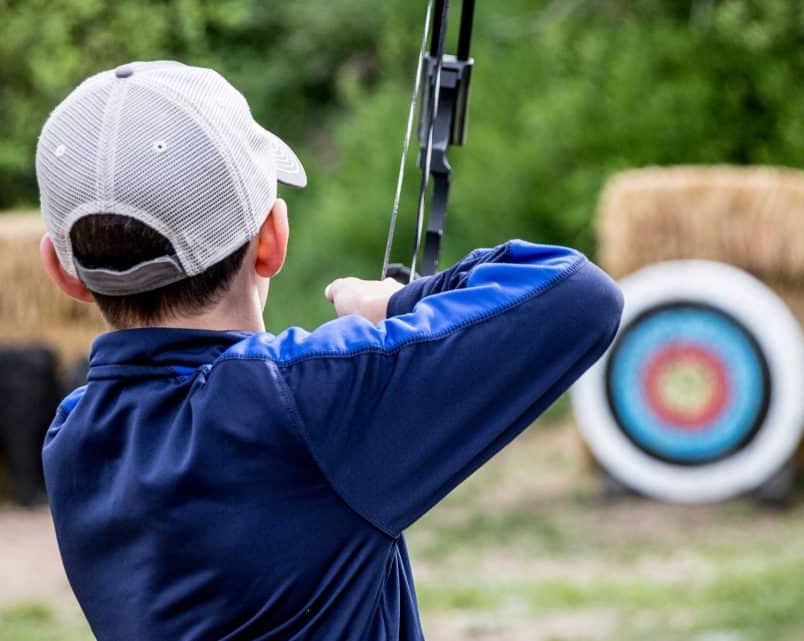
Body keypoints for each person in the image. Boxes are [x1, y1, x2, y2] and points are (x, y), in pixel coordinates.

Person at [36, 60, 623, 641]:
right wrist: (396, 304)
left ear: (63, 273)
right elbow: (578, 294)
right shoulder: (300, 404)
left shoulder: (73, 437)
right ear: (271, 240)